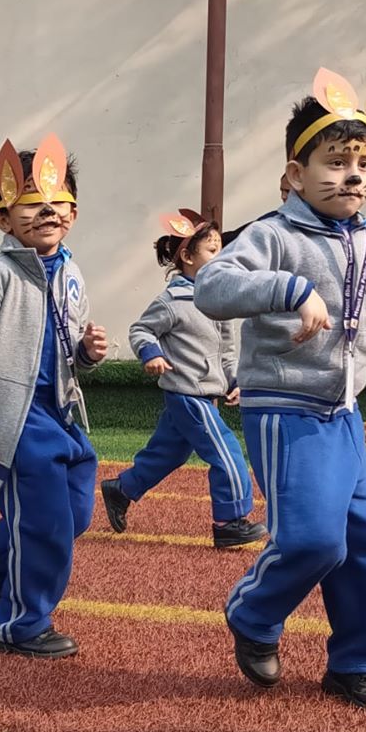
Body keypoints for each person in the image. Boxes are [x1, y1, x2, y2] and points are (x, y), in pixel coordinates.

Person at [194, 68, 366, 709]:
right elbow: (211, 287)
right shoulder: (273, 235)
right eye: (335, 162)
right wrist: (290, 288)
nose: (353, 176)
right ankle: (253, 611)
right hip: (285, 409)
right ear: (295, 174)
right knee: (313, 539)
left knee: (363, 544)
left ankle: (357, 663)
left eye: (362, 163)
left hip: (341, 414)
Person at [0, 134, 107, 659]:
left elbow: (64, 351)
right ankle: (20, 624)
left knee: (75, 515)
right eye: (31, 201)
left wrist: (86, 353)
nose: (47, 210)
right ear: (5, 219)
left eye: (58, 200)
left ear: (73, 212)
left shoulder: (72, 273)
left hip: (63, 415)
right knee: (46, 524)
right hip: (14, 422)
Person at [100, 210, 266, 549]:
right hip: (187, 393)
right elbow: (141, 330)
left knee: (168, 454)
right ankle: (229, 522)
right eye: (212, 251)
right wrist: (151, 353)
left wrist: (233, 380)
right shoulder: (172, 301)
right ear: (188, 258)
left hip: (205, 393)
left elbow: (225, 350)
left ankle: (122, 489)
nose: (220, 257)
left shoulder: (219, 301)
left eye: (221, 250)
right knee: (227, 452)